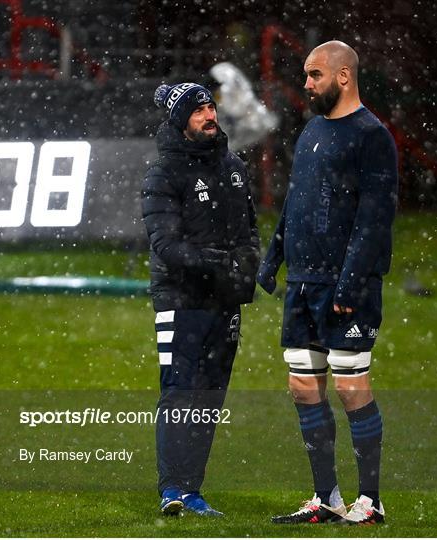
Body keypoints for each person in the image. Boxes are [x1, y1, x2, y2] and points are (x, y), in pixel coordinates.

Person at [257, 41, 398, 525]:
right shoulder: (312, 131)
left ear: (343, 77)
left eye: (314, 75)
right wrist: (272, 257)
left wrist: (351, 282)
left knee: (350, 385)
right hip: (302, 283)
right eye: (306, 74)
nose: (307, 83)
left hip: (344, 286)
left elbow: (375, 218)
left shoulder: (371, 135)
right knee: (303, 385)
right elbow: (295, 204)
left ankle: (371, 501)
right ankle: (326, 498)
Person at [141, 82, 260, 517]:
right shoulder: (162, 174)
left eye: (211, 106)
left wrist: (247, 264)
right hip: (181, 299)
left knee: (210, 395)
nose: (209, 115)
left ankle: (192, 490)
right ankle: (171, 488)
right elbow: (166, 245)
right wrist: (219, 262)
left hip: (223, 300)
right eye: (198, 111)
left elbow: (248, 229)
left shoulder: (233, 166)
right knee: (179, 391)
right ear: (180, 122)